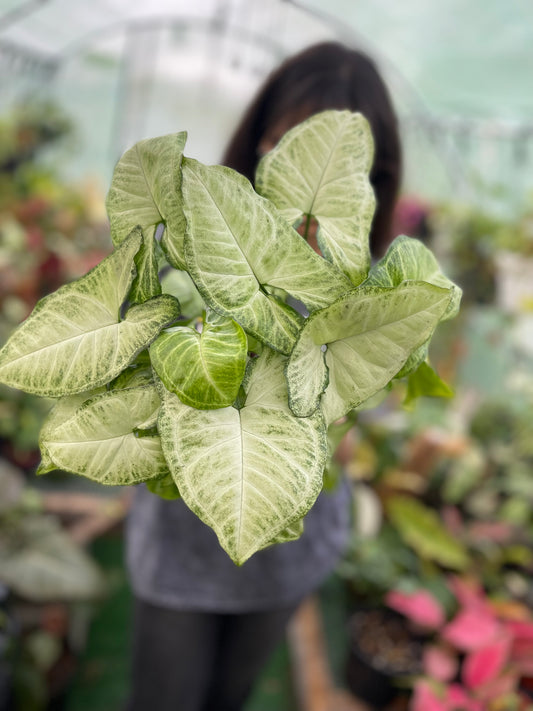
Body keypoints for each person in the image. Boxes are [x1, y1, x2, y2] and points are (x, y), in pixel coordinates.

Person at [124, 41, 402, 711]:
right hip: (183, 541)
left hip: (289, 547)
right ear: (259, 142)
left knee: (232, 695)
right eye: (291, 150)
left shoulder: (371, 278)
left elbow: (373, 396)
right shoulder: (190, 240)